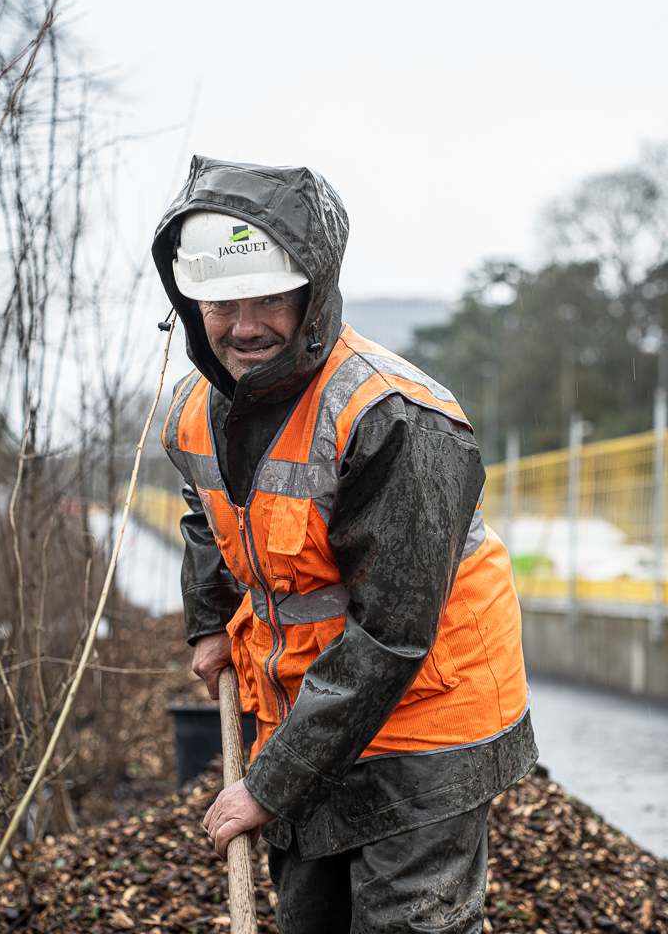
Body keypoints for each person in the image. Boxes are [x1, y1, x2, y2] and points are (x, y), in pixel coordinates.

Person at [153, 156, 537, 934]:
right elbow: (207, 511)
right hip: (306, 707)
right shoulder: (196, 408)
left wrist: (269, 783)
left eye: (270, 296)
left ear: (314, 295)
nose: (245, 323)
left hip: (426, 722)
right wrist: (207, 622)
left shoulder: (395, 419)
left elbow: (393, 632)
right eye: (223, 302)